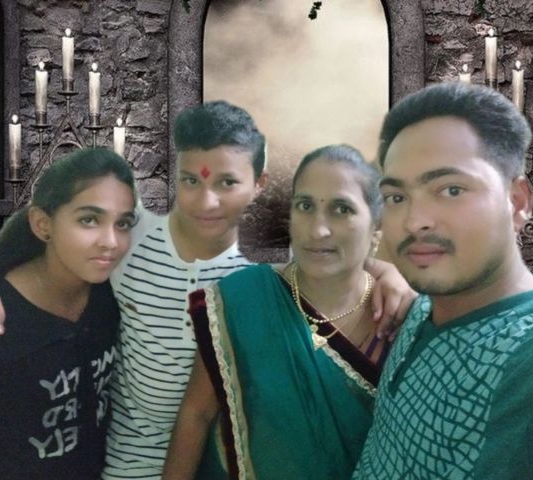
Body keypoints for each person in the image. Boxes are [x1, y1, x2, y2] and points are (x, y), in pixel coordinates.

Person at [0, 102, 411, 479]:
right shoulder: (127, 240)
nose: (206, 201)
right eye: (191, 180)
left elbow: (327, 261)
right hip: (119, 469)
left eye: (226, 182)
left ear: (258, 185)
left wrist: (384, 269)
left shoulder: (252, 280)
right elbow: (49, 233)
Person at [353, 83, 533, 479]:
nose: (414, 221)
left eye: (451, 189)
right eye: (397, 197)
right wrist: (383, 270)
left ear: (517, 203)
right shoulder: (421, 309)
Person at [162, 144, 413, 480]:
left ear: (375, 231)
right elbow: (196, 414)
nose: (317, 230)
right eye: (305, 206)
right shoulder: (246, 299)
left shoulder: (404, 318)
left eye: (341, 209)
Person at [0, 148, 137, 480]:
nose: (111, 242)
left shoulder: (110, 295)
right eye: (89, 220)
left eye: (123, 223)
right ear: (43, 225)